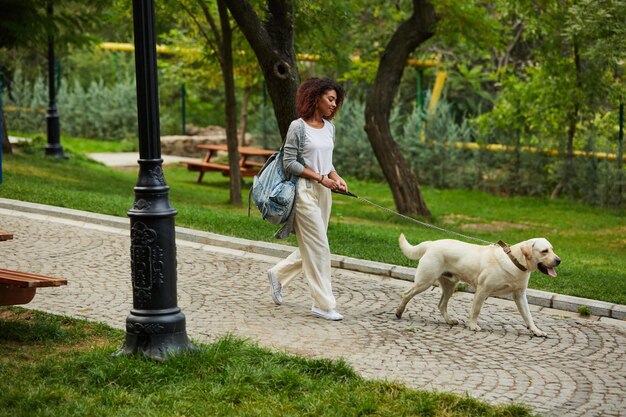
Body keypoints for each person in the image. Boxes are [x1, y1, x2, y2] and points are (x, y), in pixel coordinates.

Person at [267, 78, 348, 321]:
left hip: (324, 193)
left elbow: (326, 160)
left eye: (336, 101)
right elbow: (289, 163)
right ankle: (322, 304)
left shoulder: (329, 128)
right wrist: (320, 177)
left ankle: (278, 274)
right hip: (303, 191)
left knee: (314, 245)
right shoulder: (298, 127)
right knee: (320, 247)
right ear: (315, 98)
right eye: (330, 99)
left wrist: (335, 176)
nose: (334, 105)